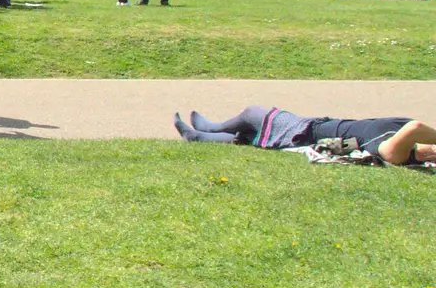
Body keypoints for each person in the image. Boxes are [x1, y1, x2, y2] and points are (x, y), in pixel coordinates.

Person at [173, 107, 436, 166]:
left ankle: (214, 128)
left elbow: (415, 127)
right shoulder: (402, 140)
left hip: (307, 131)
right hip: (320, 132)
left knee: (255, 114)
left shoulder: (394, 149)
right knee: (251, 137)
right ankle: (199, 137)